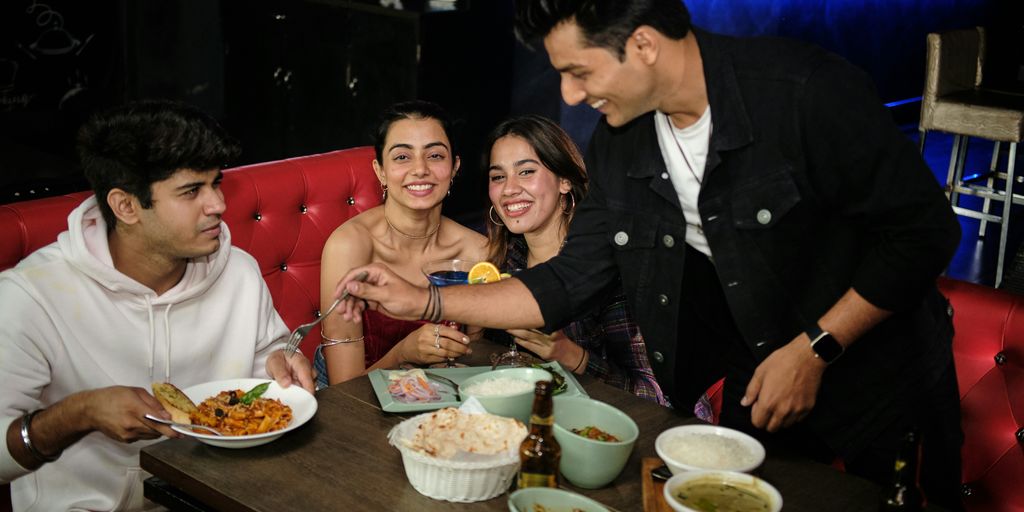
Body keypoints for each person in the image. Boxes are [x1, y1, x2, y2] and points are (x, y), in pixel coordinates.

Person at [332, 1, 965, 509]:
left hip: (879, 380)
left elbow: (925, 234)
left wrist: (816, 347)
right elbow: (566, 280)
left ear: (642, 45)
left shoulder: (804, 90)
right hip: (757, 386)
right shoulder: (621, 145)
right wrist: (424, 299)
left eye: (579, 72)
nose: (571, 95)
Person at [0, 100, 314, 512]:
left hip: (222, 495)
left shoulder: (238, 271)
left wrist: (280, 363)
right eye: (191, 191)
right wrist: (78, 413)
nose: (218, 204)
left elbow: (268, 364)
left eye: (216, 182)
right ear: (126, 206)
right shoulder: (31, 295)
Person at [484, 114, 673, 408]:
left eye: (526, 172)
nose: (509, 189)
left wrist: (571, 355)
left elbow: (657, 397)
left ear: (565, 181)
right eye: (498, 177)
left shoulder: (612, 269)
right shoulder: (501, 263)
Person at [314, 100, 487, 387]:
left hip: (437, 389)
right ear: (380, 170)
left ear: (454, 167)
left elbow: (470, 359)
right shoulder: (350, 245)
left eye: (434, 155)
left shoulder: (476, 252)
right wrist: (404, 355)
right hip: (349, 397)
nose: (420, 169)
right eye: (402, 157)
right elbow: (344, 389)